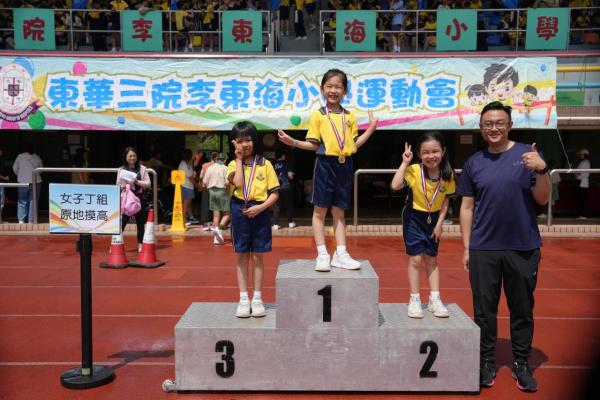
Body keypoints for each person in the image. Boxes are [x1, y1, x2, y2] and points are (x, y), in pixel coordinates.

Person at [458, 101, 550, 392]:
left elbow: (543, 198)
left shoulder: (528, 154)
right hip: (483, 247)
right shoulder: (474, 162)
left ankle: (521, 363)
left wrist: (543, 170)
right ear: (481, 128)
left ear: (509, 125)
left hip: (523, 246)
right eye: (488, 124)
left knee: (522, 308)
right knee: (483, 310)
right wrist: (466, 247)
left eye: (499, 123)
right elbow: (466, 207)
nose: (494, 128)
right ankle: (486, 361)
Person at [278, 68, 378, 272]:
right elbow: (313, 144)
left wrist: (371, 129)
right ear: (322, 89)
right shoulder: (318, 115)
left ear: (345, 91)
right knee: (320, 210)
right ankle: (322, 254)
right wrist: (293, 142)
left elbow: (354, 145)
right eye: (329, 86)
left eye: (338, 87)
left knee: (339, 210)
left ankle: (341, 253)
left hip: (345, 164)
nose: (333, 90)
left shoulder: (349, 116)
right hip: (324, 164)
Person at [391, 132, 455, 319]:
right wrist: (405, 163)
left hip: (434, 219)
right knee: (416, 259)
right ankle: (414, 299)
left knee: (432, 259)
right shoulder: (413, 170)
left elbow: (445, 201)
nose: (431, 156)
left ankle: (435, 299)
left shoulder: (448, 175)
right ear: (419, 154)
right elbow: (395, 185)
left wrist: (440, 224)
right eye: (426, 152)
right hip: (413, 217)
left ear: (443, 151)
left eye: (435, 151)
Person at [227, 121, 279, 318]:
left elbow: (274, 194)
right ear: (234, 143)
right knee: (242, 255)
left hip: (260, 210)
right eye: (240, 141)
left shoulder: (265, 164)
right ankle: (243, 299)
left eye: (248, 140)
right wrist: (239, 159)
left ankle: (257, 299)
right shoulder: (232, 165)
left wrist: (261, 207)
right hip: (239, 209)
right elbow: (239, 183)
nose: (245, 144)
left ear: (255, 141)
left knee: (258, 256)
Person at [117, 147, 151, 251]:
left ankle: (140, 243)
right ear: (125, 157)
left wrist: (137, 182)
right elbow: (117, 185)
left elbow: (148, 184)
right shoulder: (121, 169)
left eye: (134, 156)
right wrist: (123, 186)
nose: (132, 158)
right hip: (127, 198)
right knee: (123, 221)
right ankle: (116, 243)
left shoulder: (142, 169)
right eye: (130, 156)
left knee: (140, 222)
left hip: (139, 198)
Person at [204, 152, 230, 244]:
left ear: (217, 159)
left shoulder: (210, 168)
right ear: (225, 160)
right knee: (227, 214)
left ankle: (216, 238)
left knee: (216, 215)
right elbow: (227, 182)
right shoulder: (225, 168)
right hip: (222, 191)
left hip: (211, 191)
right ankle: (219, 229)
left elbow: (205, 182)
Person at [12, 144, 43, 224]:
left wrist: (21, 175)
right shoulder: (37, 157)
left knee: (22, 201)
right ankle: (31, 220)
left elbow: (15, 169)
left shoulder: (19, 157)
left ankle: (21, 220)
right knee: (33, 201)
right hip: (35, 181)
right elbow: (40, 170)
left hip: (22, 181)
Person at [272, 150, 296, 230]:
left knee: (277, 206)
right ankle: (290, 222)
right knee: (288, 204)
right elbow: (290, 176)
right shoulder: (286, 164)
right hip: (286, 187)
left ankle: (275, 224)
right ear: (282, 156)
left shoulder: (273, 165)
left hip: (276, 187)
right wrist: (292, 175)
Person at [178, 148, 198, 226]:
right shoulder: (183, 164)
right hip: (185, 185)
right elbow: (189, 177)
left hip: (189, 185)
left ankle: (190, 216)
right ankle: (184, 219)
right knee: (186, 202)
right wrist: (195, 184)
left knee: (189, 202)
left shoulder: (187, 164)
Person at [574, 148, 591, 220]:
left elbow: (578, 173)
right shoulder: (585, 162)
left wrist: (575, 173)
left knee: (582, 200)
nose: (580, 156)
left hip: (582, 183)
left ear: (585, 155)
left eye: (581, 155)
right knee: (581, 199)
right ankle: (581, 214)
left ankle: (582, 215)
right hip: (582, 183)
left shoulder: (585, 162)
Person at [0, 146, 9, 223]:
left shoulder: (2, 160)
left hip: (1, 183)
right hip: (0, 183)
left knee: (1, 202)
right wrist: (5, 178)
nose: (1, 152)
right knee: (1, 202)